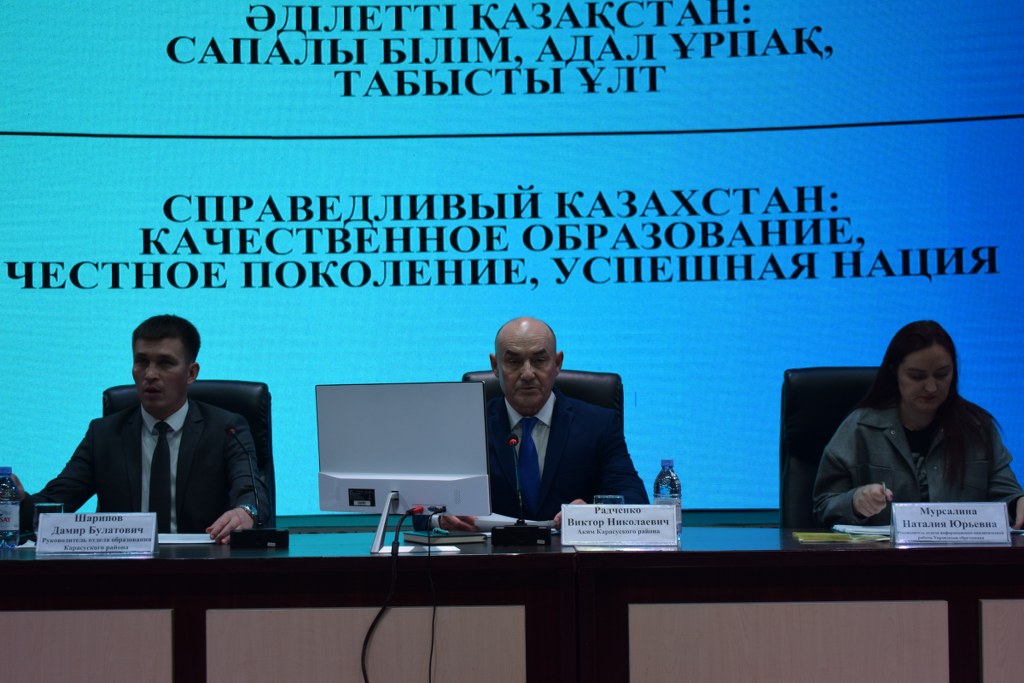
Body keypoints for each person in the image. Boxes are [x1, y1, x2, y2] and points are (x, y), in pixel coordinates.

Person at [15, 314, 269, 543]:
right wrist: (17, 501)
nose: (150, 374)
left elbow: (251, 492)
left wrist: (246, 511)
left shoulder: (226, 429)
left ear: (191, 373)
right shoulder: (104, 434)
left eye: (165, 363)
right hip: (124, 570)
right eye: (142, 362)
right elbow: (52, 505)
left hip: (204, 567)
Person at [441, 316, 648, 531]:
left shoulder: (598, 424)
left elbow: (635, 499)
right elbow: (424, 506)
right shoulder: (467, 425)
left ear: (557, 363)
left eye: (539, 361)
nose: (527, 374)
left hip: (568, 550)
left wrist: (594, 513)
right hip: (489, 550)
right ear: (495, 366)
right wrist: (441, 518)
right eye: (514, 362)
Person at [813, 320, 1024, 529]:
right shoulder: (860, 428)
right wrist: (855, 503)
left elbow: (1007, 494)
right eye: (917, 376)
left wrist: (1019, 502)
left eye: (942, 374)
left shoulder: (977, 427)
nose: (931, 387)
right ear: (894, 371)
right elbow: (823, 506)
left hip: (961, 550)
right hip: (881, 551)